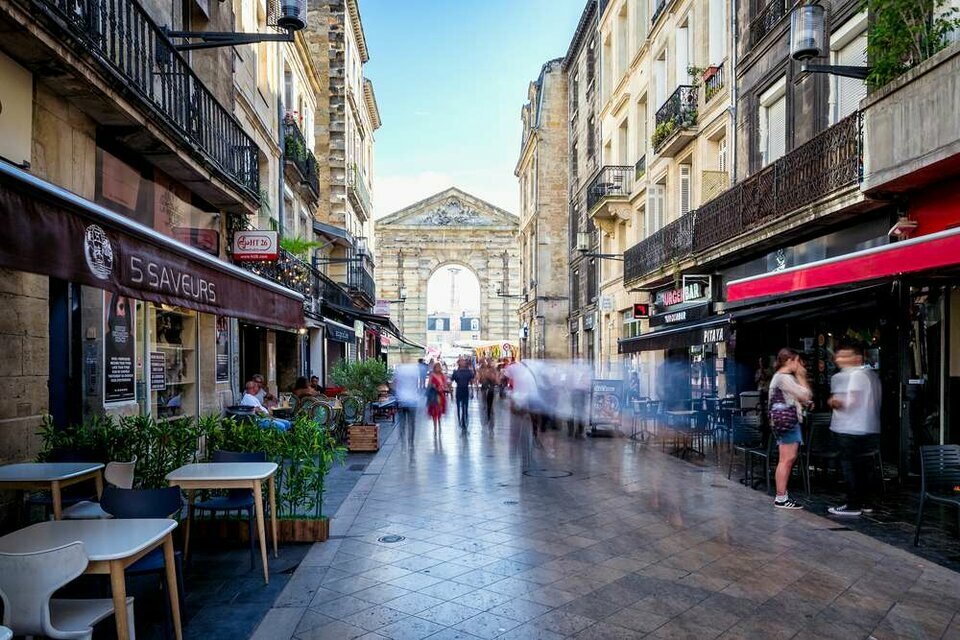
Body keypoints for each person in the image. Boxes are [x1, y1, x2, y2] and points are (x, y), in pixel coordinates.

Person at [827, 341, 882, 517]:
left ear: (857, 358)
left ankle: (853, 504)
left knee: (850, 468)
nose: (840, 359)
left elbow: (850, 402)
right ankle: (867, 502)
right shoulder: (871, 375)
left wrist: (833, 401)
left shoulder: (855, 376)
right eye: (839, 355)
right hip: (869, 428)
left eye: (845, 355)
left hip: (850, 429)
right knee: (865, 468)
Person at [769, 347, 812, 510]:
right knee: (786, 460)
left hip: (783, 422)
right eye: (797, 361)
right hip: (787, 422)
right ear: (789, 360)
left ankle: (782, 496)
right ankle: (781, 497)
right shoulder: (784, 377)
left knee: (787, 459)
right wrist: (801, 375)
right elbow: (805, 394)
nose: (799, 364)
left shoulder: (780, 378)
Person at [393, 363, 421, 439]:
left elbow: (395, 383)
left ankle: (403, 443)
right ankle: (411, 442)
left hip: (402, 400)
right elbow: (416, 384)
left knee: (402, 423)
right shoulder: (415, 368)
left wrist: (396, 395)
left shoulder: (399, 368)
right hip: (412, 400)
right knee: (411, 423)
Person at [451, 357, 475, 429]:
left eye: (464, 361)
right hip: (459, 390)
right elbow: (451, 380)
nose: (463, 362)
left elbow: (471, 381)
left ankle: (464, 419)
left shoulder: (468, 372)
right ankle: (460, 419)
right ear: (458, 363)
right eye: (461, 361)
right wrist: (450, 391)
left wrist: (472, 391)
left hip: (465, 390)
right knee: (459, 406)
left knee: (465, 406)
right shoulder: (456, 372)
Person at [426, 362, 447, 430]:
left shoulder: (442, 375)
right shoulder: (432, 375)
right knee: (434, 410)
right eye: (437, 367)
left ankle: (439, 422)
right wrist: (433, 386)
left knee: (439, 409)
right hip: (434, 395)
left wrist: (444, 387)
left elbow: (445, 384)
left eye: (439, 367)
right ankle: (435, 425)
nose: (438, 368)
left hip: (441, 395)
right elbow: (429, 385)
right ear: (434, 368)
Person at [478, 358, 498, 424]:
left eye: (490, 362)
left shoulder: (493, 370)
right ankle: (487, 416)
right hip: (484, 387)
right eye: (488, 362)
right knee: (485, 403)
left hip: (491, 388)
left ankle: (489, 416)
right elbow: (480, 379)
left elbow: (496, 380)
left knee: (490, 404)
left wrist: (491, 377)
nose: (488, 363)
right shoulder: (482, 369)